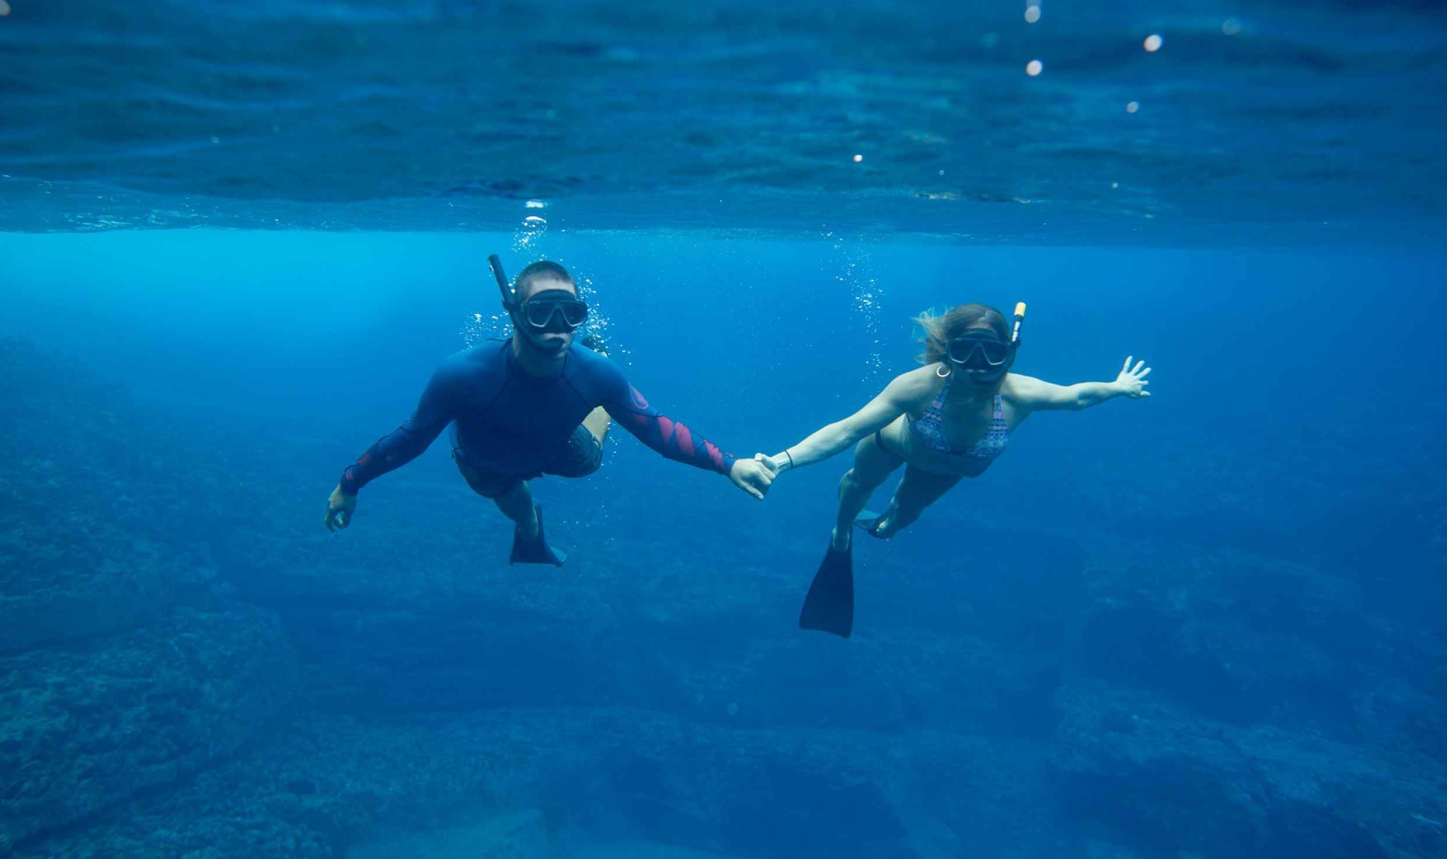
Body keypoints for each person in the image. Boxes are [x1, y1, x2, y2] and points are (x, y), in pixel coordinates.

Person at [325, 255, 774, 564]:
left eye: (571, 314)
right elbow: (410, 440)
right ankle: (531, 530)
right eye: (543, 313)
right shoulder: (462, 374)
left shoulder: (597, 373)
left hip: (559, 446)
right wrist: (350, 483)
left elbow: (656, 429)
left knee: (592, 456)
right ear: (516, 313)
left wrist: (728, 465)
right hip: (486, 461)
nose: (559, 328)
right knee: (517, 507)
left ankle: (599, 412)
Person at [755, 302, 1150, 637]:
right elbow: (847, 429)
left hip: (944, 471)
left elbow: (1077, 396)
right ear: (948, 352)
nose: (979, 366)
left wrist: (1117, 387)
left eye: (991, 353)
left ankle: (883, 524)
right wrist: (781, 461)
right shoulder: (919, 385)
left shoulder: (1021, 393)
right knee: (857, 486)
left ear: (1008, 353)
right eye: (965, 352)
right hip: (893, 443)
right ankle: (841, 533)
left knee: (899, 519)